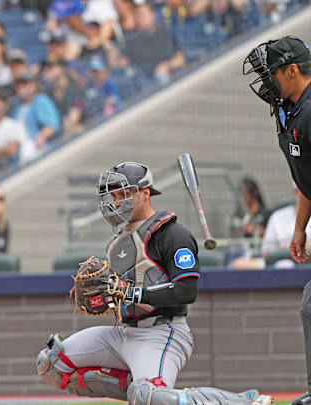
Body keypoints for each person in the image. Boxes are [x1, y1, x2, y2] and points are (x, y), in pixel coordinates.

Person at [36, 161, 271, 405]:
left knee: (149, 396)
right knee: (52, 363)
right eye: (114, 195)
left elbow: (186, 291)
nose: (116, 201)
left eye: (124, 193)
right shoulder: (118, 242)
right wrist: (106, 298)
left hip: (162, 332)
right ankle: (144, 391)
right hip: (122, 332)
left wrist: (133, 294)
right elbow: (119, 294)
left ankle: (237, 403)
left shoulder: (173, 234)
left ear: (145, 193)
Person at [244, 36, 311, 405]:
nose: (266, 82)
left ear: (292, 70)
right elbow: (307, 183)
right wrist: (300, 227)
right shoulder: (294, 109)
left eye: (270, 73)